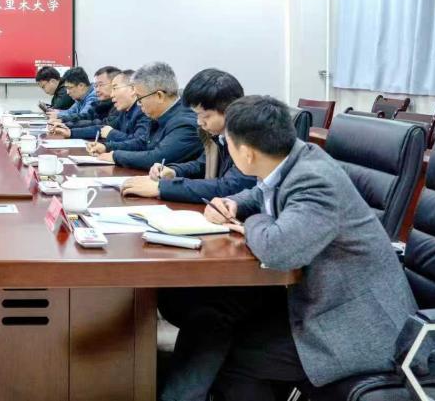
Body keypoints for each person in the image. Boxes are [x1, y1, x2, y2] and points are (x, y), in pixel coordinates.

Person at [160, 96, 419, 401]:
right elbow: (260, 193)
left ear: (247, 153)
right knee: (213, 315)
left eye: (228, 144)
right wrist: (233, 204)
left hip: (358, 326)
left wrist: (252, 222)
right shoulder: (293, 158)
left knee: (235, 354)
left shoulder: (314, 180)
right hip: (318, 300)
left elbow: (278, 249)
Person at [122, 68, 256, 202]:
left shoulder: (249, 139)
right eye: (197, 115)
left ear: (229, 110)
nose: (199, 122)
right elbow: (201, 165)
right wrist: (174, 171)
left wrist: (162, 188)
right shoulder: (218, 135)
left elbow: (229, 187)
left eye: (205, 116)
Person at [91, 62, 201, 169]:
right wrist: (107, 147)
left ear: (159, 96)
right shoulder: (158, 116)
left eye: (139, 98)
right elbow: (141, 143)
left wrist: (116, 156)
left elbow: (157, 158)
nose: (139, 104)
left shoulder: (184, 123)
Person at [70, 70, 151, 151]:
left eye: (115, 88)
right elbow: (103, 128)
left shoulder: (144, 111)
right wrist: (70, 132)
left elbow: (140, 143)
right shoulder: (124, 111)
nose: (112, 95)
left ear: (132, 89)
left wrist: (110, 137)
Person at [48, 66, 120, 136]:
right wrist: (63, 121)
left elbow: (102, 126)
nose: (97, 90)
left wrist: (70, 131)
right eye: (96, 86)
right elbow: (86, 116)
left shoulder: (118, 106)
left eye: (101, 85)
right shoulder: (102, 102)